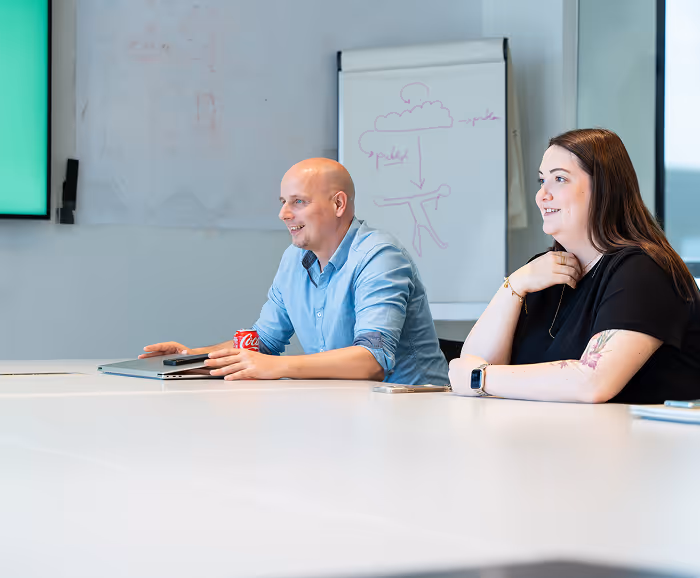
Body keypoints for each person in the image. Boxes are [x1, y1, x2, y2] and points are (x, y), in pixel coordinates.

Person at [141, 158, 448, 385]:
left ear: (339, 203)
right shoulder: (294, 258)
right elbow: (262, 341)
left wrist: (276, 367)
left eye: (298, 202)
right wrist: (193, 356)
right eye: (283, 202)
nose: (283, 214)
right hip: (344, 408)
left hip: (412, 412)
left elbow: (371, 362)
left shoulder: (380, 257)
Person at [450, 128, 700, 404]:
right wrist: (513, 285)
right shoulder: (539, 272)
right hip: (558, 440)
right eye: (541, 180)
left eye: (559, 179)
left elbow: (592, 382)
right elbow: (472, 365)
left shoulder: (643, 270)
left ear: (605, 187)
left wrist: (481, 378)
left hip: (640, 444)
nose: (541, 195)